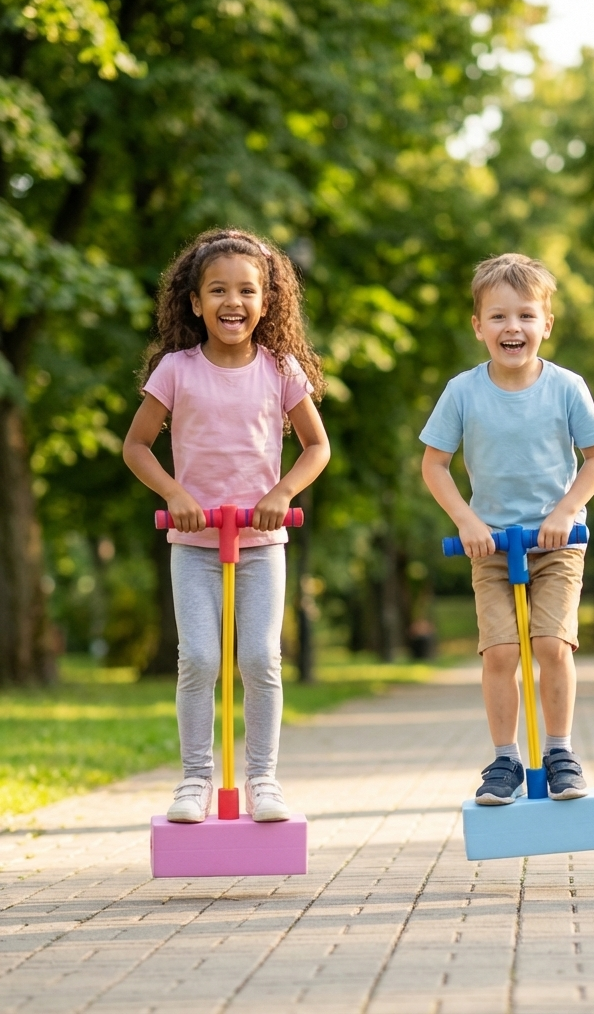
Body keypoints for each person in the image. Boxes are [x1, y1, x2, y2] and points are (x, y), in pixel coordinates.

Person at [123, 229, 330, 823]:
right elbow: (137, 446)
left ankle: (263, 778)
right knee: (200, 661)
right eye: (217, 290)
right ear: (194, 302)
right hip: (194, 545)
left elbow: (317, 447)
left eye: (246, 290)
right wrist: (174, 491)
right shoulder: (176, 370)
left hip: (262, 544)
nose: (232, 301)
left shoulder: (281, 369)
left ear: (267, 301)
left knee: (261, 659)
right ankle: (194, 780)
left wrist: (282, 491)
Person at [421, 254, 594, 804]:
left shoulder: (567, 387)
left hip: (557, 544)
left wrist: (564, 512)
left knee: (552, 644)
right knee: (501, 653)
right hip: (493, 547)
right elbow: (434, 464)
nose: (513, 328)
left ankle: (559, 752)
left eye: (526, 316)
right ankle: (505, 759)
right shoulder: (463, 392)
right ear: (478, 326)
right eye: (499, 317)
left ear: (546, 325)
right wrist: (466, 520)